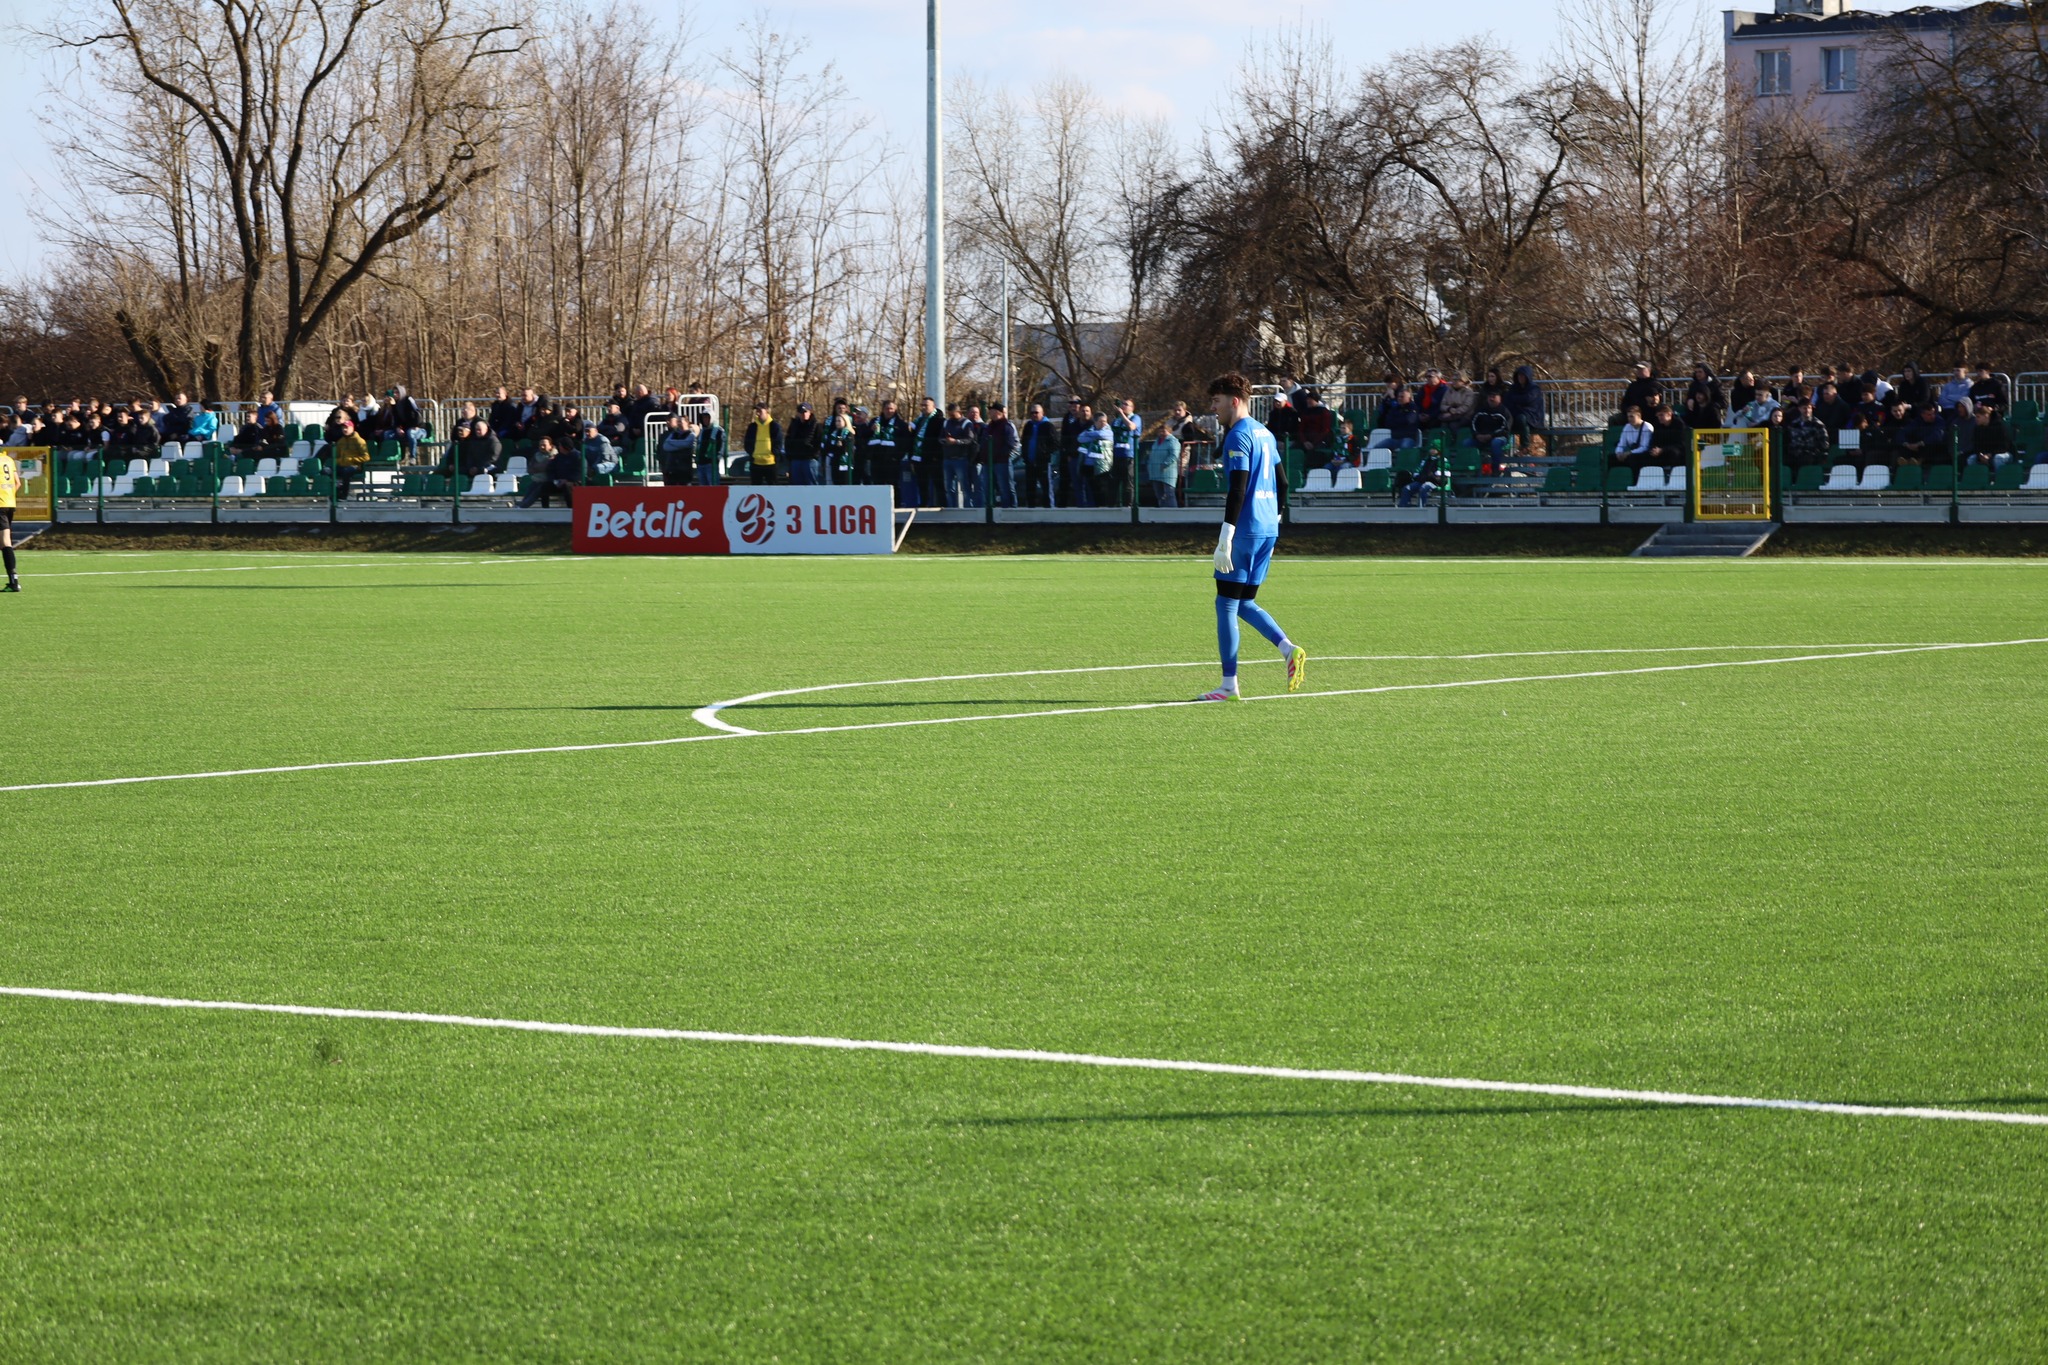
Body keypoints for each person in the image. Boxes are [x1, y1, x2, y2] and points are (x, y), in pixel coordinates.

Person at [1198, 371, 1305, 703]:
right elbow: (1283, 483)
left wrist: (1225, 537)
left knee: (1226, 604)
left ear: (1234, 401)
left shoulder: (1238, 435)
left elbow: (1238, 488)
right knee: (1244, 602)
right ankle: (1287, 648)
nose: (1213, 408)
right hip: (1267, 529)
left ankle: (1228, 685)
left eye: (1216, 401)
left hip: (1244, 530)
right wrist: (1274, 521)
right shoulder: (1265, 433)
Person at [516, 437, 581, 507]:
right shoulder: (559, 457)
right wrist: (554, 480)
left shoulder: (577, 456)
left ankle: (571, 508)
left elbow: (579, 472)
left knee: (566, 486)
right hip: (558, 481)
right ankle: (544, 508)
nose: (559, 447)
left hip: (573, 482)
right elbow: (550, 469)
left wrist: (567, 480)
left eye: (560, 445)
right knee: (543, 486)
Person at [863, 399, 910, 493]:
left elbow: (906, 442)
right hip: (876, 460)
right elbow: (864, 437)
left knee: (893, 485)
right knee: (877, 485)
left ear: (895, 409)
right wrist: (871, 430)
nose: (889, 411)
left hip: (892, 461)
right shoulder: (874, 421)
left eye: (891, 409)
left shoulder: (901, 424)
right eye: (887, 408)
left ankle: (895, 502)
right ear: (883, 409)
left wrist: (897, 457)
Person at [941, 403, 979, 507]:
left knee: (964, 486)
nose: (951, 417)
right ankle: (951, 507)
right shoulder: (946, 423)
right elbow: (940, 437)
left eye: (953, 414)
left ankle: (967, 508)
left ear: (959, 412)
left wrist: (956, 441)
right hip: (948, 458)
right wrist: (945, 441)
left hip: (961, 459)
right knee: (948, 487)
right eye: (949, 414)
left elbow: (969, 439)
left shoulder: (966, 423)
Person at [1019, 402, 1056, 507]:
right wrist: (1025, 456)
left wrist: (1045, 453)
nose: (1034, 415)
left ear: (1042, 413)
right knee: (1030, 488)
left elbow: (1055, 443)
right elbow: (1024, 442)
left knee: (1046, 487)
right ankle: (1031, 510)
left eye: (1036, 412)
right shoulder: (1028, 426)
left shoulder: (1048, 426)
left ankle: (1049, 509)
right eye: (1032, 413)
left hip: (1043, 463)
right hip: (1030, 463)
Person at [911, 396, 945, 507]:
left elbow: (940, 440)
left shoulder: (939, 420)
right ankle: (924, 504)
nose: (924, 407)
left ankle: (942, 505)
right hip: (919, 456)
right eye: (922, 405)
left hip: (933, 458)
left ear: (933, 406)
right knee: (922, 483)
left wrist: (936, 455)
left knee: (938, 483)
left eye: (926, 405)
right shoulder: (919, 420)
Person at [983, 402, 1018, 508]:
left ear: (998, 412)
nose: (990, 412)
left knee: (1005, 487)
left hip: (1002, 462)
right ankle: (990, 510)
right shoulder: (989, 426)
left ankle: (1009, 509)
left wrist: (998, 454)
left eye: (992, 410)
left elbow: (1010, 444)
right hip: (988, 462)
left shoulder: (1006, 426)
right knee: (988, 488)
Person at [1079, 410, 1116, 508]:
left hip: (1102, 466)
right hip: (1089, 464)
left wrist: (1090, 435)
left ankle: (1103, 507)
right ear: (1095, 422)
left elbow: (1102, 435)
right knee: (1092, 488)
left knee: (1102, 488)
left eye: (1105, 421)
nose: (1104, 423)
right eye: (1101, 421)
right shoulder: (1090, 430)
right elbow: (1080, 438)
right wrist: (1093, 435)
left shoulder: (1109, 431)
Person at [1145, 417, 1182, 507]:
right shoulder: (1156, 442)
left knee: (1169, 494)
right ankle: (1161, 511)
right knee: (1159, 495)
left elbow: (1174, 455)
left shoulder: (1173, 441)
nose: (1161, 433)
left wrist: (1165, 464)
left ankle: (1172, 512)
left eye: (1163, 431)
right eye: (1160, 431)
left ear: (1169, 431)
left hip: (1167, 472)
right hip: (1155, 472)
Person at [1506, 365, 1545, 451]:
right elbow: (1508, 400)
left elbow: (1527, 400)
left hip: (1532, 416)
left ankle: (1525, 445)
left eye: (1523, 375)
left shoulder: (1534, 388)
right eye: (1519, 375)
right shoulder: (1514, 388)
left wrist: (1516, 400)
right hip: (1517, 413)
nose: (1520, 377)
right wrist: (1518, 402)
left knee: (1522, 418)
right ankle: (1504, 444)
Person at [1111, 398, 1142, 507]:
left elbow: (1131, 426)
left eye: (1126, 404)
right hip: (1116, 455)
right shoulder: (1116, 420)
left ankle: (1129, 506)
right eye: (1122, 404)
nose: (1123, 406)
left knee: (1128, 482)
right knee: (1114, 482)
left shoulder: (1136, 418)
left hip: (1129, 455)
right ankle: (1113, 506)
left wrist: (1121, 414)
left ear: (1132, 408)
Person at [1783, 400, 1830, 468]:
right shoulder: (1794, 424)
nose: (1807, 410)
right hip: (1795, 454)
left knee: (1805, 460)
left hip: (1811, 455)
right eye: (1804, 408)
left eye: (1809, 408)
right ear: (1799, 409)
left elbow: (1824, 444)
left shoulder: (1818, 425)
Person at [331, 418, 370, 497]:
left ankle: (344, 494)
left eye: (346, 427)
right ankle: (334, 491)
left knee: (346, 472)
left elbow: (366, 457)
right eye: (343, 428)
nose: (344, 429)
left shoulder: (359, 441)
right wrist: (339, 461)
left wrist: (352, 460)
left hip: (354, 466)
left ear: (352, 428)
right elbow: (336, 456)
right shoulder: (340, 441)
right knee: (326, 471)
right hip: (342, 465)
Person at [784, 403, 820, 485]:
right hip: (796, 460)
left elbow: (818, 442)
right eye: (801, 412)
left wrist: (813, 454)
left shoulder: (816, 425)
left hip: (809, 460)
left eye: (805, 412)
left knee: (811, 484)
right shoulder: (793, 425)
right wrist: (790, 456)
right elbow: (788, 440)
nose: (803, 414)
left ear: (810, 412)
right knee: (796, 485)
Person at [1647, 403, 1692, 469]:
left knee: (1674, 453)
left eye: (1661, 415)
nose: (1659, 418)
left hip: (1678, 451)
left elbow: (1681, 444)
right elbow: (1655, 440)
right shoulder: (1657, 425)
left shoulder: (1679, 425)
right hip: (1661, 450)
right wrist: (1654, 449)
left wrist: (1663, 450)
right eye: (1658, 415)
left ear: (1669, 414)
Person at [820, 404, 857, 485]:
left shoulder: (849, 434)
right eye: (836, 421)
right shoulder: (833, 434)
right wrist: (837, 446)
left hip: (845, 464)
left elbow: (845, 449)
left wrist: (838, 446)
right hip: (835, 463)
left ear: (845, 421)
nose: (837, 423)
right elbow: (829, 447)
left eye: (839, 421)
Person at [0, 441, 20, 591]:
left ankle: (14, 582)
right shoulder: (8, 459)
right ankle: (13, 582)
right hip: (9, 503)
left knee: (5, 542)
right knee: (4, 542)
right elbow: (17, 483)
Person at [656, 414, 697, 486]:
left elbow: (687, 444)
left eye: (681, 422)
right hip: (672, 469)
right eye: (678, 422)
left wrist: (673, 444)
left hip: (685, 469)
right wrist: (680, 445)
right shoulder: (673, 434)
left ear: (687, 422)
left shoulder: (691, 434)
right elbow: (666, 446)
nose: (679, 424)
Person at [1376, 385, 1421, 449]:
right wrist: (1400, 421)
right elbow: (1388, 422)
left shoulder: (1413, 408)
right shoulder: (1395, 408)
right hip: (1394, 439)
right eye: (1398, 397)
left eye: (1402, 397)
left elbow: (1408, 420)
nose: (1399, 398)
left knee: (1404, 448)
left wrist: (1395, 421)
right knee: (1378, 447)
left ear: (1409, 398)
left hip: (1408, 438)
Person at [1471, 391, 1512, 459]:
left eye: (1494, 397)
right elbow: (1473, 423)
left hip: (1500, 437)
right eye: (1490, 397)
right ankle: (1471, 463)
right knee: (1467, 443)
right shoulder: (1481, 410)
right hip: (1481, 436)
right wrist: (1477, 435)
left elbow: (1505, 428)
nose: (1491, 399)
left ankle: (1496, 464)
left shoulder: (1504, 411)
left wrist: (1491, 435)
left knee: (1495, 442)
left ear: (1499, 398)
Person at [1683, 364, 1726, 430]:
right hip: (1696, 412)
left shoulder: (1715, 384)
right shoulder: (1694, 385)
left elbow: (1723, 402)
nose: (1698, 374)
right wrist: (1689, 400)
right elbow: (1689, 397)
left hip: (1711, 413)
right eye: (1696, 372)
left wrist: (1711, 406)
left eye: (1700, 372)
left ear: (1706, 372)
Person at [695, 412, 726, 485]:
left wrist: (716, 458)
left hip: (711, 464)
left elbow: (722, 446)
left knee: (713, 486)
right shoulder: (702, 431)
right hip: (701, 464)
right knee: (703, 488)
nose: (705, 420)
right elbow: (698, 446)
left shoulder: (719, 431)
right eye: (703, 418)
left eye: (707, 417)